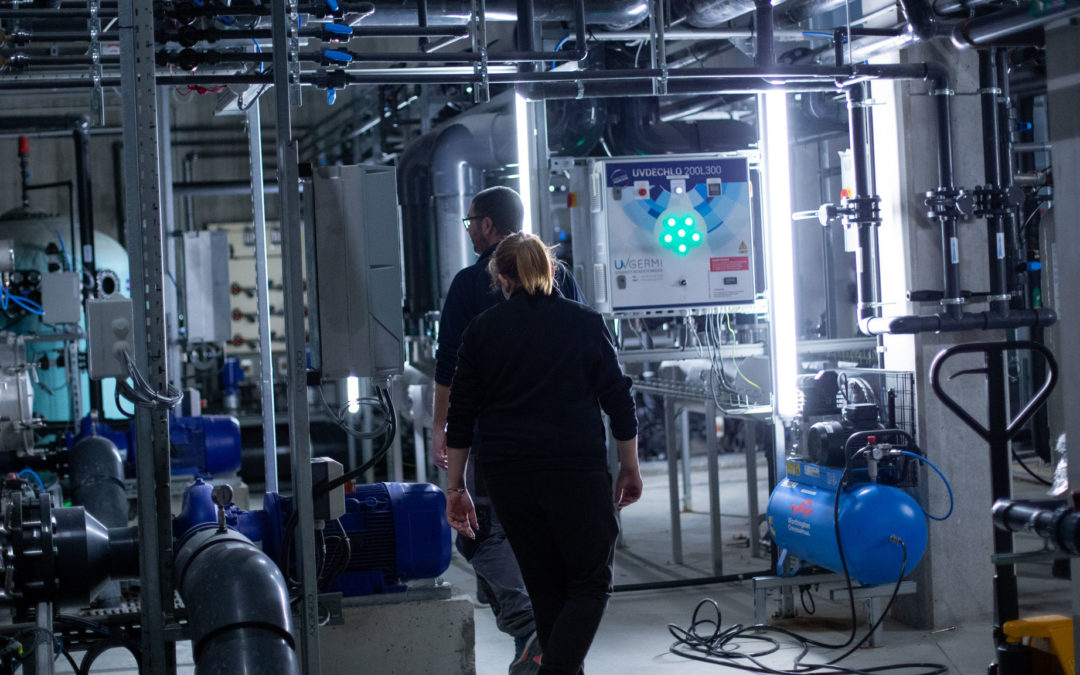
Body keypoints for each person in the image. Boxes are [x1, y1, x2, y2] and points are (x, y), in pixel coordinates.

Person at [444, 233, 643, 675]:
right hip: (574, 470)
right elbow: (619, 401)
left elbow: (460, 417)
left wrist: (456, 487)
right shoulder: (585, 324)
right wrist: (629, 465)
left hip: (509, 477)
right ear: (552, 271)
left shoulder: (482, 331)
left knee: (546, 588)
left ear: (501, 278)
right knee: (591, 583)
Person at [431, 186, 585, 672]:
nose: (470, 229)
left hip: (495, 438)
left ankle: (531, 630)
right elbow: (589, 348)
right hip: (562, 438)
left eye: (471, 221)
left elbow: (450, 367)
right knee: (546, 546)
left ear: (490, 226)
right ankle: (542, 649)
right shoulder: (561, 277)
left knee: (479, 534)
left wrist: (442, 426)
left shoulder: (471, 283)